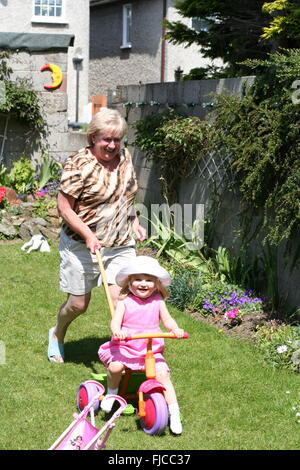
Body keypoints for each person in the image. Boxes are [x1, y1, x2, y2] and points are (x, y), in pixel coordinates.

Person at [48, 108, 146, 363]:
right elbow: (64, 207)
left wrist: (134, 220)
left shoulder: (124, 156)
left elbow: (126, 193)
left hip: (120, 241)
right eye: (107, 139)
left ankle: (123, 354)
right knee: (78, 304)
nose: (113, 145)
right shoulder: (78, 163)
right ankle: (57, 334)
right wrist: (88, 235)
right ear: (93, 137)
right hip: (82, 244)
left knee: (120, 301)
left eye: (117, 139)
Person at [98, 256, 185, 435]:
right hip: (126, 347)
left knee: (162, 376)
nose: (143, 283)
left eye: (149, 280)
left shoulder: (158, 301)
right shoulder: (125, 302)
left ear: (156, 283)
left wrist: (174, 329)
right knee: (115, 367)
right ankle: (111, 393)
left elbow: (167, 319)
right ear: (130, 281)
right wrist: (118, 332)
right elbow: (115, 322)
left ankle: (174, 412)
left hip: (150, 349)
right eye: (138, 279)